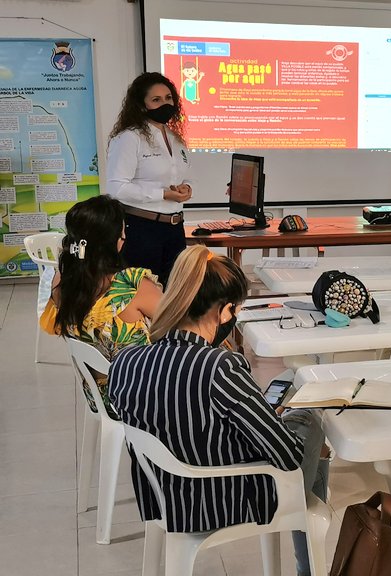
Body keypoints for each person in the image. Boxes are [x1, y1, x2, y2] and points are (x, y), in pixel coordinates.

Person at [107, 246, 328, 576]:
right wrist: (286, 420)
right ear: (225, 312)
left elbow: (173, 414)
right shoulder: (220, 367)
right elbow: (286, 456)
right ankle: (307, 559)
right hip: (217, 502)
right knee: (309, 422)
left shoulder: (125, 361)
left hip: (164, 496)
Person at [40, 195, 161, 418]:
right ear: (116, 240)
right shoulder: (131, 285)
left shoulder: (62, 280)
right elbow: (179, 322)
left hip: (99, 398)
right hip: (141, 400)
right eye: (122, 231)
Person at [106, 72, 193, 286]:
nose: (165, 103)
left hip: (175, 228)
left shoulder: (175, 138)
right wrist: (162, 194)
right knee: (143, 295)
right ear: (142, 105)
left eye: (168, 98)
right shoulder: (129, 138)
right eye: (156, 100)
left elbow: (182, 175)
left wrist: (187, 188)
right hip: (142, 228)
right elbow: (117, 188)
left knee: (173, 294)